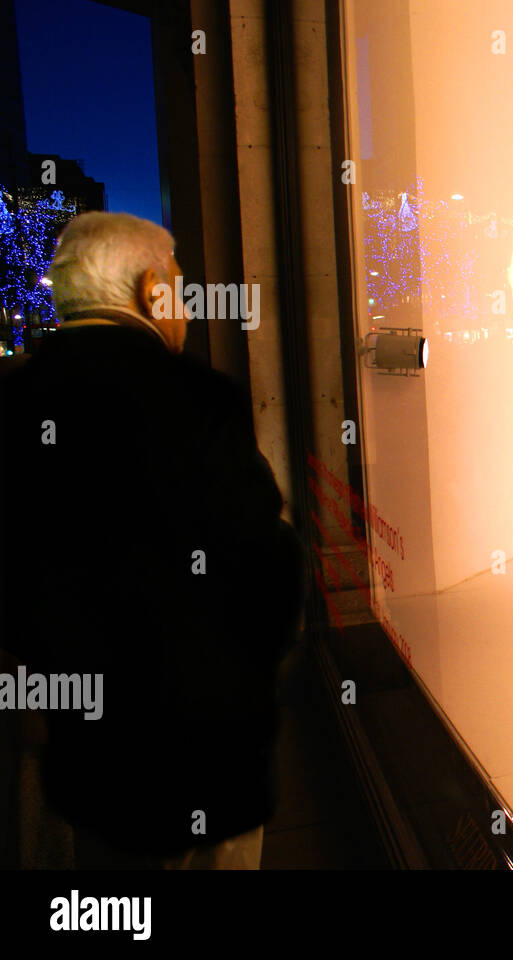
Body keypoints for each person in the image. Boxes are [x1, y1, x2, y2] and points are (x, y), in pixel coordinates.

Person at [0, 212, 303, 868]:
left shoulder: (14, 401)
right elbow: (264, 564)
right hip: (190, 746)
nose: (187, 302)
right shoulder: (192, 399)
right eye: (178, 283)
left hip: (59, 746)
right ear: (148, 290)